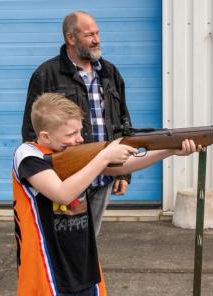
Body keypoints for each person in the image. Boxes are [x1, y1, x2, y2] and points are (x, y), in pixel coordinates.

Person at [13, 93, 200, 296]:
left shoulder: (74, 151)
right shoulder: (28, 155)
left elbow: (121, 166)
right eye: (71, 135)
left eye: (80, 132)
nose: (79, 139)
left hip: (83, 266)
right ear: (45, 135)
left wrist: (171, 150)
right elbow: (62, 194)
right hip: (48, 269)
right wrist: (103, 157)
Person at [21, 10, 132, 236]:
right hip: (67, 180)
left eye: (97, 33)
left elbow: (123, 122)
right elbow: (32, 132)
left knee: (91, 240)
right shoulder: (46, 74)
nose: (97, 39)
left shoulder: (109, 72)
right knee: (65, 244)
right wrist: (50, 177)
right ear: (71, 38)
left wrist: (122, 173)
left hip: (103, 177)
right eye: (89, 34)